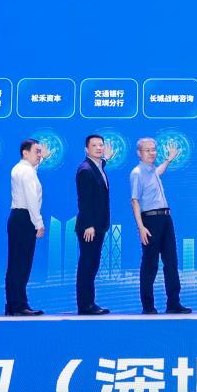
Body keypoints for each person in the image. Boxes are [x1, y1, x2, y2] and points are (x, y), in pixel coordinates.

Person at [130, 138, 190, 314]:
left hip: (165, 219)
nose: (152, 153)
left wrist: (169, 159)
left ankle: (174, 304)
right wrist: (141, 227)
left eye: (153, 149)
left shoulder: (151, 171)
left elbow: (158, 172)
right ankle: (148, 306)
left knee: (171, 262)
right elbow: (134, 201)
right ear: (139, 153)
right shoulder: (137, 172)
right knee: (150, 264)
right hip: (150, 221)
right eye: (147, 150)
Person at [6, 138, 48, 316]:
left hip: (18, 218)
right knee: (22, 264)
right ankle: (19, 305)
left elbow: (32, 171)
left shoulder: (20, 168)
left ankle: (14, 304)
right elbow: (31, 199)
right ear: (25, 153)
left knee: (16, 263)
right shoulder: (27, 172)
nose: (39, 155)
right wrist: (39, 223)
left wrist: (41, 160)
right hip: (25, 218)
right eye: (37, 151)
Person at [75, 134, 115, 315]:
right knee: (87, 265)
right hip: (89, 228)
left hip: (99, 225)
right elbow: (84, 200)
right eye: (94, 145)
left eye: (101, 145)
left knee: (92, 265)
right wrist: (89, 224)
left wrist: (106, 159)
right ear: (86, 149)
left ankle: (89, 303)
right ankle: (86, 305)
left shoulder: (97, 166)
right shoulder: (85, 170)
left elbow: (100, 165)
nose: (99, 148)